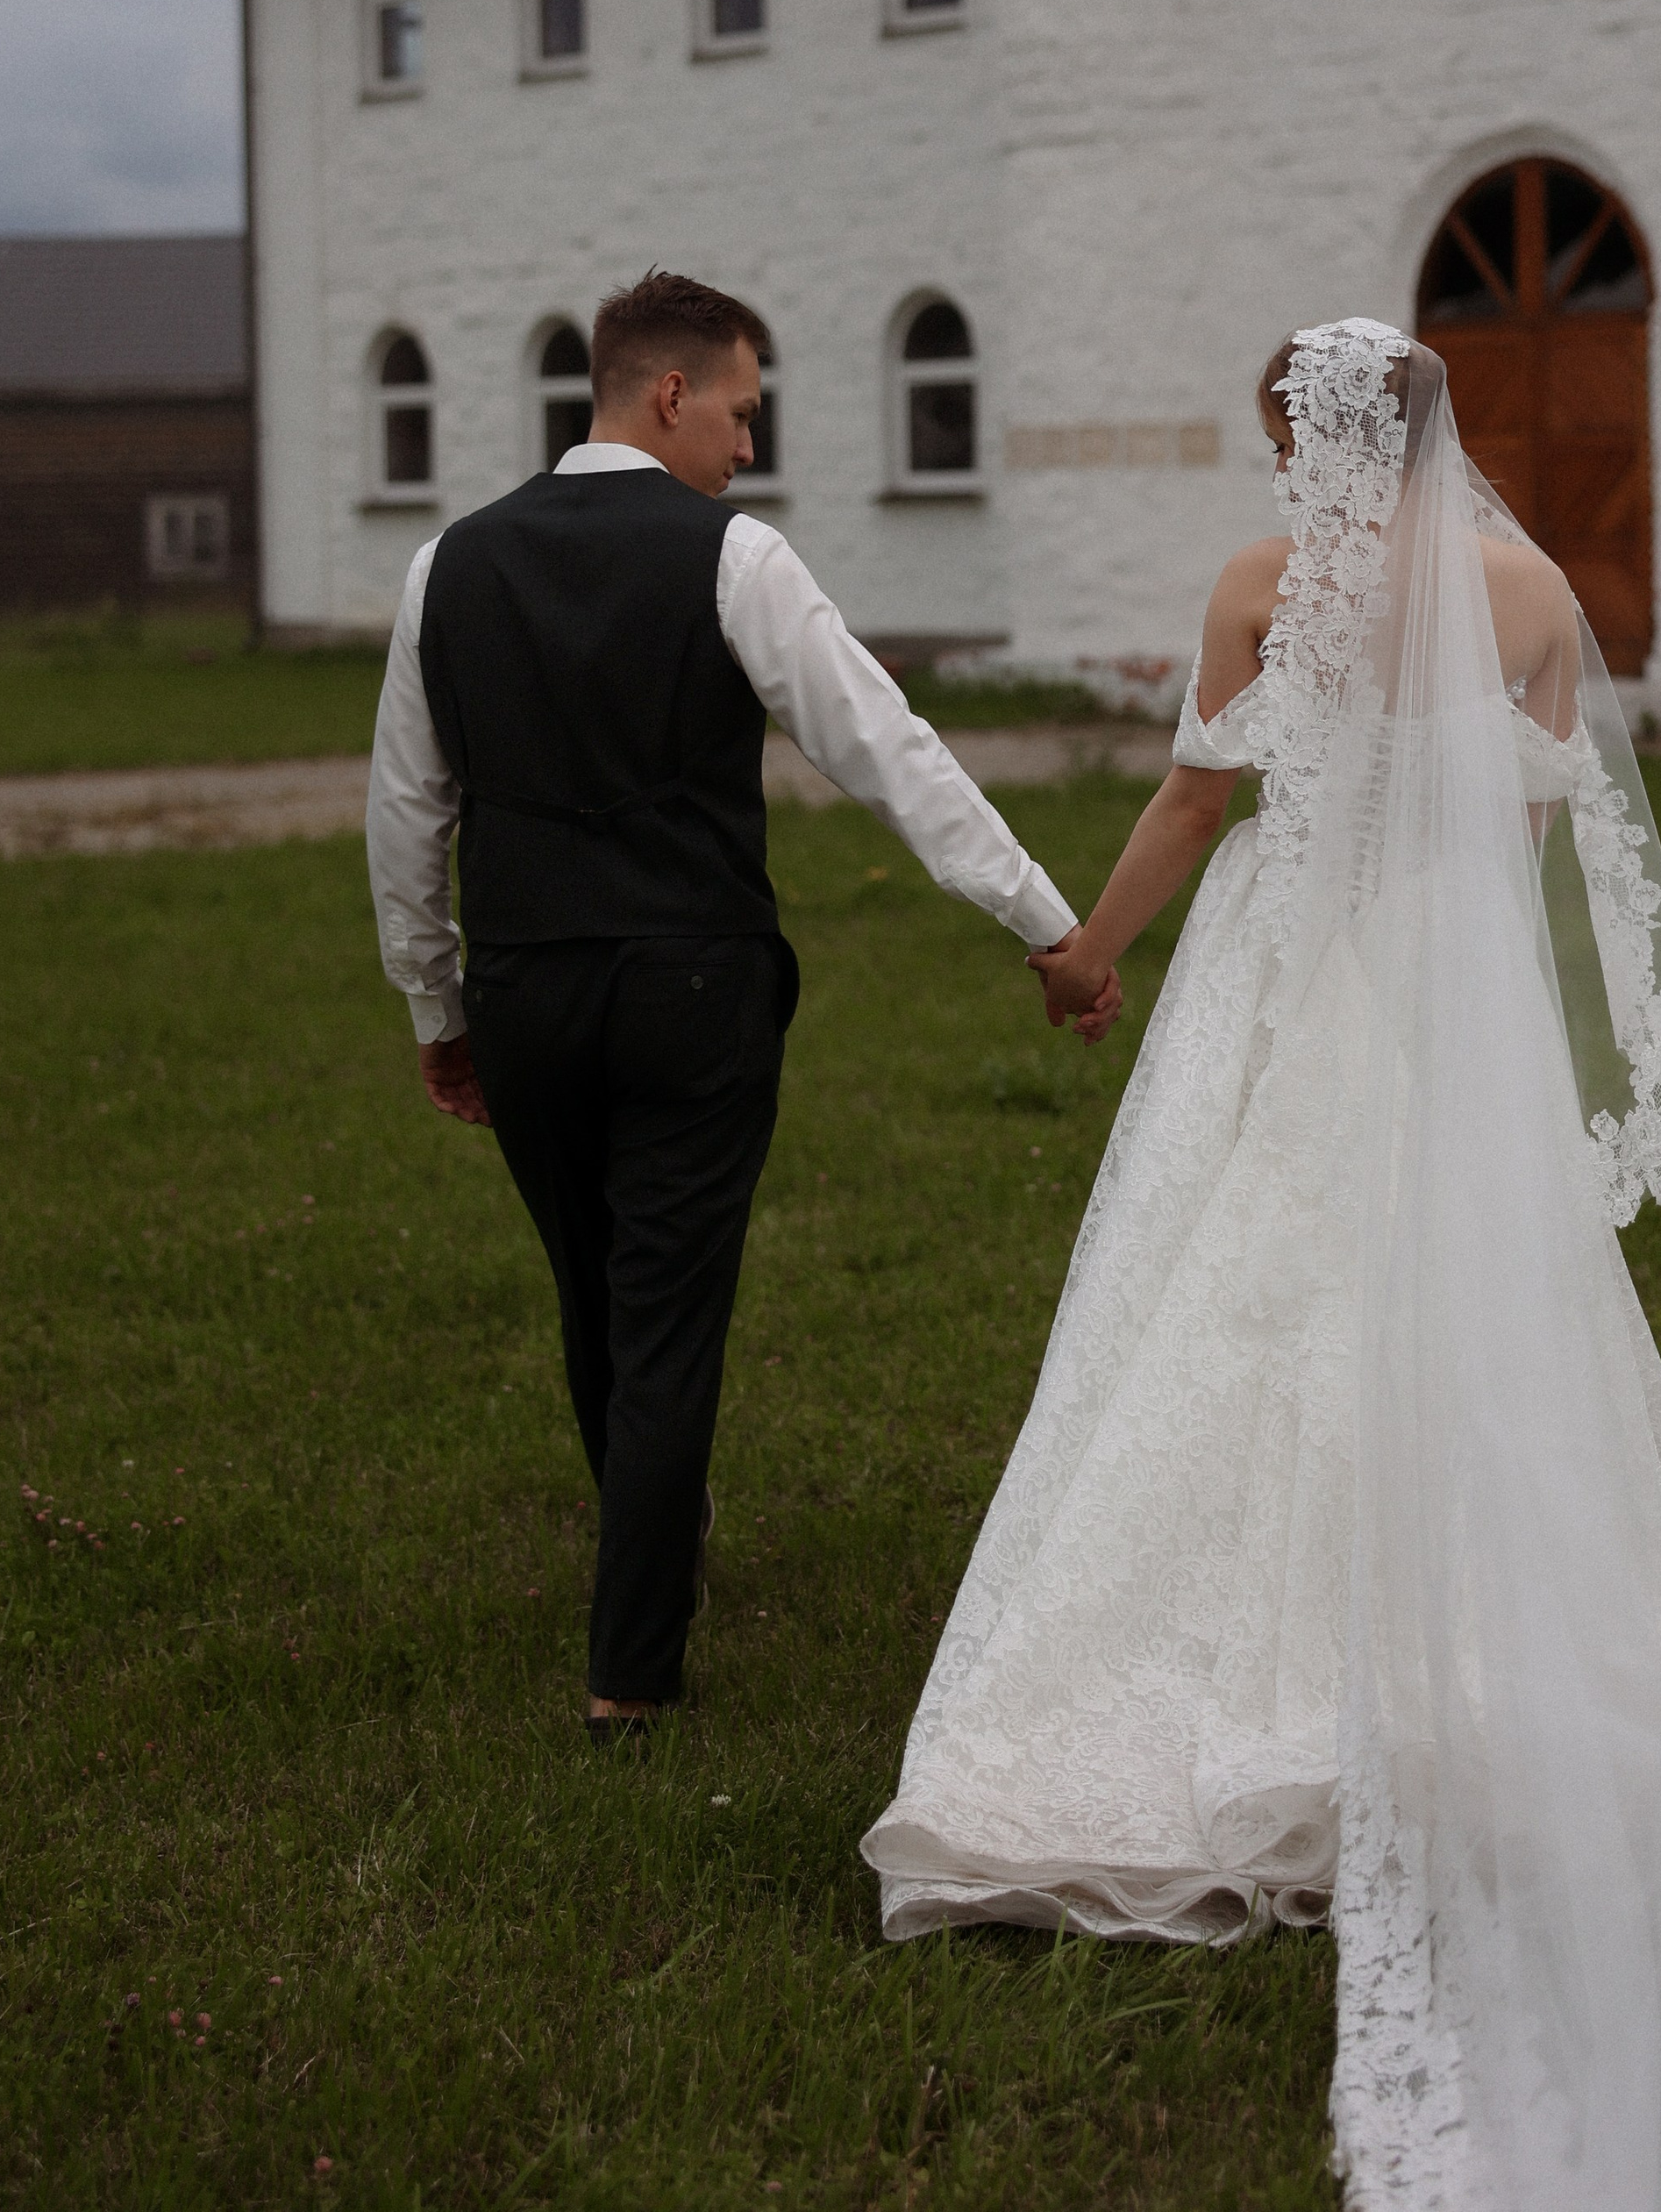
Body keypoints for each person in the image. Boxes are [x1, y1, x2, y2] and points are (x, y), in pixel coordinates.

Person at [864, 318, 1661, 2209]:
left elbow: (1197, 796)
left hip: (1286, 960)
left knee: (1234, 1276)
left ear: (1310, 431)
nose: (1274, 463)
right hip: (1445, 975)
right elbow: (1530, 821)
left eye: (1281, 431)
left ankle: (1213, 1658)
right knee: (1454, 1300)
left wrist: (1085, 954)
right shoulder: (1531, 593)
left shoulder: (1265, 583)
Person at [366, 268, 1116, 1736]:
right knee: (662, 1314)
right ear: (669, 394)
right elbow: (883, 751)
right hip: (688, 990)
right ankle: (631, 1672)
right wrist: (1046, 921)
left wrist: (436, 1008)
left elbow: (407, 812)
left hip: (525, 993)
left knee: (599, 1298)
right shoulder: (738, 559)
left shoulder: (445, 565)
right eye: (741, 409)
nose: (748, 446)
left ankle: (644, 1565)